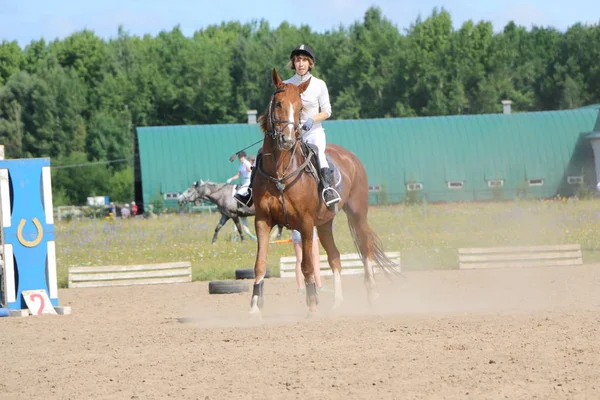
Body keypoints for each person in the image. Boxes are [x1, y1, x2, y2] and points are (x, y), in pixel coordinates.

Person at [234, 44, 341, 209]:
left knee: (319, 154)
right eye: (298, 60)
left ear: (310, 63)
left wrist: (311, 120)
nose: (301, 63)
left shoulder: (319, 84)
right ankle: (249, 191)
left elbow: (327, 111)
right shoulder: (284, 84)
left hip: (312, 132)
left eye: (304, 60)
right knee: (263, 152)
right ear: (293, 63)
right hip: (289, 133)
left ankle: (328, 190)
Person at [292, 227, 323, 293]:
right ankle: (319, 284)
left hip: (296, 230)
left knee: (299, 259)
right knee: (315, 257)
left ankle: (300, 287)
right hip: (309, 229)